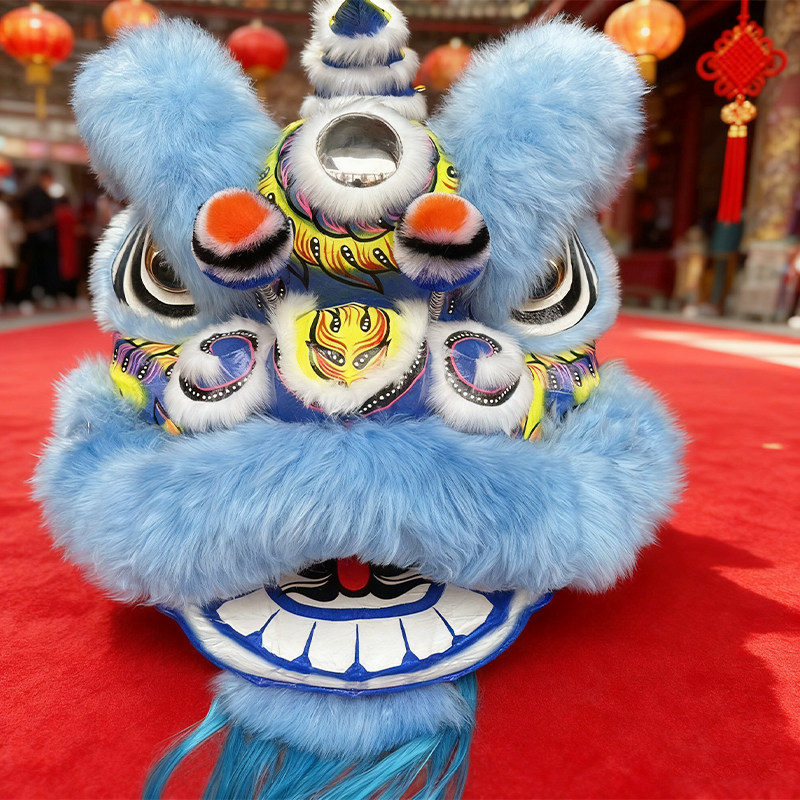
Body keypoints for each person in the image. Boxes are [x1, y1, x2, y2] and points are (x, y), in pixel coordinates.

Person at [19, 168, 60, 304]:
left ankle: (37, 293)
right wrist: (41, 223)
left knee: (36, 267)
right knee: (39, 267)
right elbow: (36, 219)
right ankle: (40, 293)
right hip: (40, 238)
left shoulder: (34, 194)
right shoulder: (38, 195)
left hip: (38, 237)